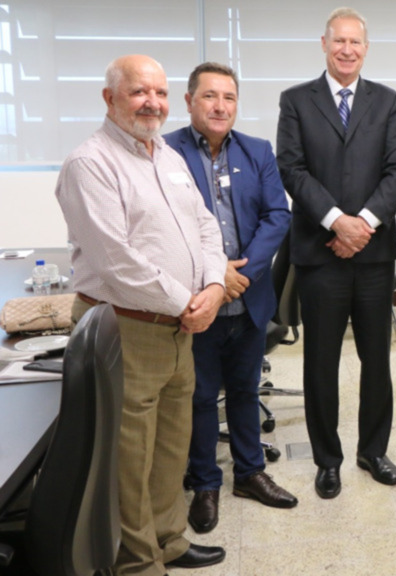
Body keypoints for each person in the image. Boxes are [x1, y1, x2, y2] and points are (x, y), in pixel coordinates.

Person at [55, 54, 228, 575]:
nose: (152, 102)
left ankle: (169, 540)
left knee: (171, 447)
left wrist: (215, 285)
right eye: (138, 92)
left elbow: (206, 225)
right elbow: (116, 260)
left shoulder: (168, 156)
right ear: (110, 99)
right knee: (131, 459)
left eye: (159, 92)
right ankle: (138, 562)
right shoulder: (91, 164)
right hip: (128, 327)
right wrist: (188, 303)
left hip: (180, 328)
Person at [276, 7, 396, 498]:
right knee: (321, 362)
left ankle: (373, 451)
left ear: (366, 48)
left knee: (378, 360)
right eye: (339, 42)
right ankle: (327, 459)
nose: (348, 49)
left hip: (373, 257)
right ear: (324, 44)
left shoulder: (387, 101)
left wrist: (365, 224)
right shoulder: (296, 100)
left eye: (356, 42)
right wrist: (336, 221)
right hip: (319, 252)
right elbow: (291, 169)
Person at [164, 62, 296, 535]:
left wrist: (242, 274)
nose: (221, 106)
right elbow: (163, 226)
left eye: (230, 98)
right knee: (200, 397)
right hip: (196, 301)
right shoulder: (166, 152)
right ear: (189, 101)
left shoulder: (257, 151)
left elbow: (277, 215)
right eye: (210, 96)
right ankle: (204, 483)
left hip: (249, 298)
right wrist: (215, 273)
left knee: (244, 390)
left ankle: (250, 472)